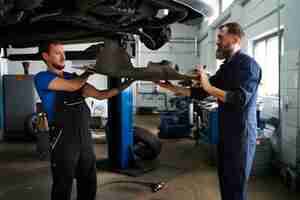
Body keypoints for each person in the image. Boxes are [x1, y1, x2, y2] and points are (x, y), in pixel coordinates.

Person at [155, 22, 261, 200]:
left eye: (220, 37)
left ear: (235, 39)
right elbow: (202, 92)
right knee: (226, 182)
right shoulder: (227, 66)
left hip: (241, 137)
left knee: (236, 185)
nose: (217, 42)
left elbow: (239, 99)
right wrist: (171, 87)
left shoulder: (248, 65)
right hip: (226, 134)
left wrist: (207, 84)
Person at [34, 41, 134, 200]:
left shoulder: (73, 77)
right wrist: (89, 72)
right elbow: (72, 86)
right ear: (46, 56)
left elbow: (101, 94)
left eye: (63, 52)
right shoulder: (42, 78)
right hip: (63, 139)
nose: (63, 56)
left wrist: (127, 83)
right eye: (57, 53)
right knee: (63, 183)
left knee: (88, 181)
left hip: (84, 138)